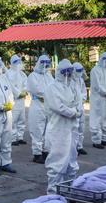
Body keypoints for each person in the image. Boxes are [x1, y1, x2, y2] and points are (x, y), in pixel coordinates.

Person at [44, 59, 81, 194]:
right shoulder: (51, 88)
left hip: (71, 129)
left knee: (72, 160)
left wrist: (78, 111)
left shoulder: (72, 86)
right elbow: (58, 107)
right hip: (58, 130)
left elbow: (78, 102)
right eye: (65, 72)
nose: (68, 75)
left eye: (70, 72)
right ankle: (53, 193)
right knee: (57, 162)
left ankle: (70, 189)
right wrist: (73, 112)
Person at [27, 55, 54, 164]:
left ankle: (46, 151)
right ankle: (37, 154)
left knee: (48, 130)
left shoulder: (48, 75)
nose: (45, 65)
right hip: (38, 105)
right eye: (43, 63)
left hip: (48, 105)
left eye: (47, 63)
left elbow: (54, 87)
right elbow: (37, 90)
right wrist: (48, 95)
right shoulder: (32, 76)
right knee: (37, 129)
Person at [89, 52, 106, 149]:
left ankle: (105, 139)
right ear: (101, 59)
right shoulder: (95, 70)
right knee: (97, 118)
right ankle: (96, 141)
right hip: (98, 99)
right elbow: (97, 86)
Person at [6, 55, 28, 146]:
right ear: (11, 63)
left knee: (22, 119)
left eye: (19, 62)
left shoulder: (22, 74)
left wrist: (25, 91)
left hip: (21, 101)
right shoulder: (8, 73)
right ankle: (13, 138)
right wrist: (18, 93)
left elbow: (26, 83)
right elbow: (10, 86)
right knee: (13, 120)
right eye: (16, 62)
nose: (18, 64)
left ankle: (20, 137)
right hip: (13, 100)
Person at [72, 62, 88, 155]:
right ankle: (73, 147)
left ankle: (80, 146)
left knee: (81, 127)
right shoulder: (69, 81)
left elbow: (84, 92)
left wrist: (81, 100)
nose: (80, 73)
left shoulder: (80, 80)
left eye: (80, 71)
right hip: (73, 108)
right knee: (74, 128)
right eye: (78, 71)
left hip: (80, 106)